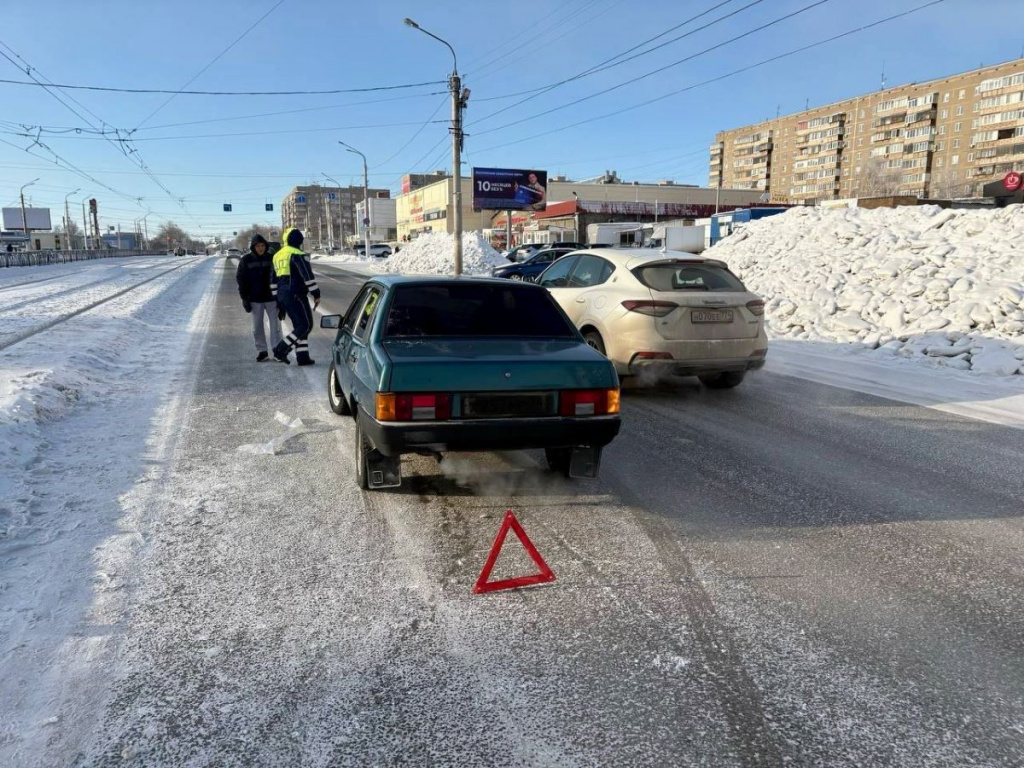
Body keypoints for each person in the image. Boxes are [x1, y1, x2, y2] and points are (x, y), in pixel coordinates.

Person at [271, 228, 320, 365]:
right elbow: (307, 276)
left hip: (283, 294)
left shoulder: (277, 255)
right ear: (300, 240)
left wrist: (278, 301)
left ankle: (303, 357)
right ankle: (281, 349)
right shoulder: (298, 254)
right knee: (305, 325)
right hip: (296, 293)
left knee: (299, 326)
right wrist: (316, 294)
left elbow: (272, 280)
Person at [236, 234, 282, 361]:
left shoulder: (272, 258)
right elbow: (241, 279)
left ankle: (277, 350)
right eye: (258, 246)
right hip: (255, 299)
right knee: (257, 327)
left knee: (275, 326)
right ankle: (262, 351)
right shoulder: (246, 260)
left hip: (272, 298)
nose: (260, 248)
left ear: (266, 246)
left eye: (262, 245)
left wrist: (281, 299)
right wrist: (244, 298)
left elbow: (280, 278)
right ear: (253, 247)